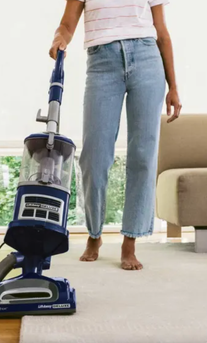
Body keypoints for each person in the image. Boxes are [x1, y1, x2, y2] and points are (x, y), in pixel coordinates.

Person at [49, 0, 182, 270]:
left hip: (147, 59)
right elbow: (66, 25)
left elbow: (162, 32)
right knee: (94, 157)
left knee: (143, 155)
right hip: (102, 62)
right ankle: (94, 233)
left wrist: (174, 86)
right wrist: (59, 41)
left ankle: (130, 240)